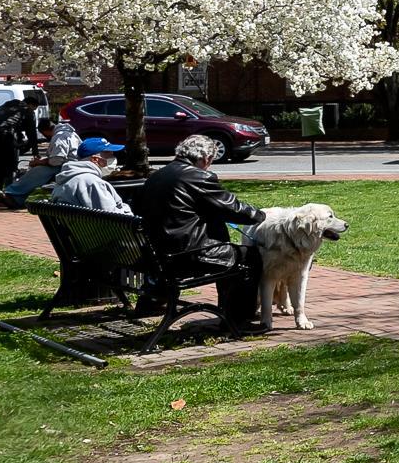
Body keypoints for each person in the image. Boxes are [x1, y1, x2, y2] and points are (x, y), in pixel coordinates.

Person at [136, 134, 265, 326]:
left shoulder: (157, 175)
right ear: (206, 158)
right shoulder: (198, 176)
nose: (209, 165)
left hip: (156, 252)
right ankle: (238, 320)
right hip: (186, 255)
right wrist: (261, 216)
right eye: (210, 161)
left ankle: (151, 302)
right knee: (249, 256)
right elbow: (234, 209)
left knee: (228, 249)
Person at [0, 89, 43, 198]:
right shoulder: (27, 110)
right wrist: (35, 151)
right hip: (3, 137)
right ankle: (11, 194)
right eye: (34, 109)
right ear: (31, 105)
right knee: (10, 168)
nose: (33, 111)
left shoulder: (4, 107)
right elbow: (31, 133)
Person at [0, 118, 81, 208]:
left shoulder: (59, 137)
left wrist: (40, 162)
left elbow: (56, 160)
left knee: (40, 171)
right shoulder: (70, 133)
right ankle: (15, 197)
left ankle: (12, 194)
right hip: (71, 165)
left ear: (45, 131)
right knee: (40, 169)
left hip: (69, 167)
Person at [48, 137, 130, 212]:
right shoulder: (91, 183)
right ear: (95, 159)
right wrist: (127, 208)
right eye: (109, 154)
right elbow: (111, 218)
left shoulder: (67, 179)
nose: (114, 157)